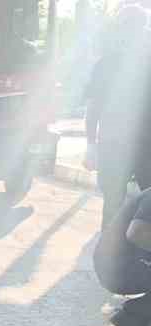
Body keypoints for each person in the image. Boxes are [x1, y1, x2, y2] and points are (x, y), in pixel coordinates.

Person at [86, 5, 151, 233]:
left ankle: (112, 258)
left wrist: (91, 145)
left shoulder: (105, 64)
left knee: (113, 204)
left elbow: (94, 108)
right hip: (128, 144)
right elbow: (94, 106)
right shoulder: (106, 64)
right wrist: (91, 144)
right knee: (127, 203)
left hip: (122, 144)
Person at [95, 187, 151, 326]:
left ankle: (137, 313)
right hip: (117, 267)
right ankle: (134, 315)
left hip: (129, 263)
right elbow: (137, 233)